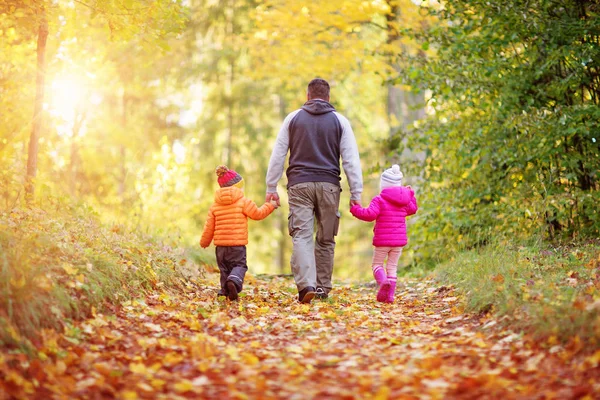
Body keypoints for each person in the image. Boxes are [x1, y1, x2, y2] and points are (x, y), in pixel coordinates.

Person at [265, 78, 363, 304]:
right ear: (328, 98)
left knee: (301, 235)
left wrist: (272, 187)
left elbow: (278, 155)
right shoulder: (340, 121)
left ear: (307, 96)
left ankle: (306, 285)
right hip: (329, 186)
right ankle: (322, 288)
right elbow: (350, 159)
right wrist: (356, 193)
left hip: (300, 185)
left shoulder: (293, 118)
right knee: (326, 238)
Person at [200, 165, 277, 301]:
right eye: (241, 186)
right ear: (237, 187)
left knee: (224, 269)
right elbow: (257, 214)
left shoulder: (215, 206)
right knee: (239, 266)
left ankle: (224, 291)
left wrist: (204, 242)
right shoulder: (243, 202)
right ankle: (234, 282)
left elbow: (209, 227)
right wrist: (270, 205)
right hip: (237, 246)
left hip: (221, 248)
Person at [350, 164, 418, 303]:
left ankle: (383, 282)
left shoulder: (379, 200)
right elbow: (413, 209)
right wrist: (411, 195)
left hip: (382, 241)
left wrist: (355, 209)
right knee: (392, 267)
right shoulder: (404, 201)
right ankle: (390, 296)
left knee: (377, 265)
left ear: (384, 185)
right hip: (398, 242)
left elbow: (369, 215)